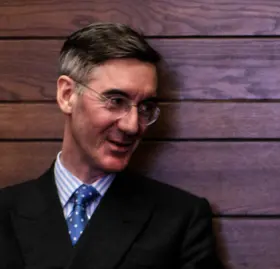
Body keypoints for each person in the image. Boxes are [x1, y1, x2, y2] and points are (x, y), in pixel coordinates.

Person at [0, 22, 223, 269]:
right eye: (116, 101)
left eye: (146, 107)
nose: (132, 125)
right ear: (67, 95)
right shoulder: (5, 211)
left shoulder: (181, 219)